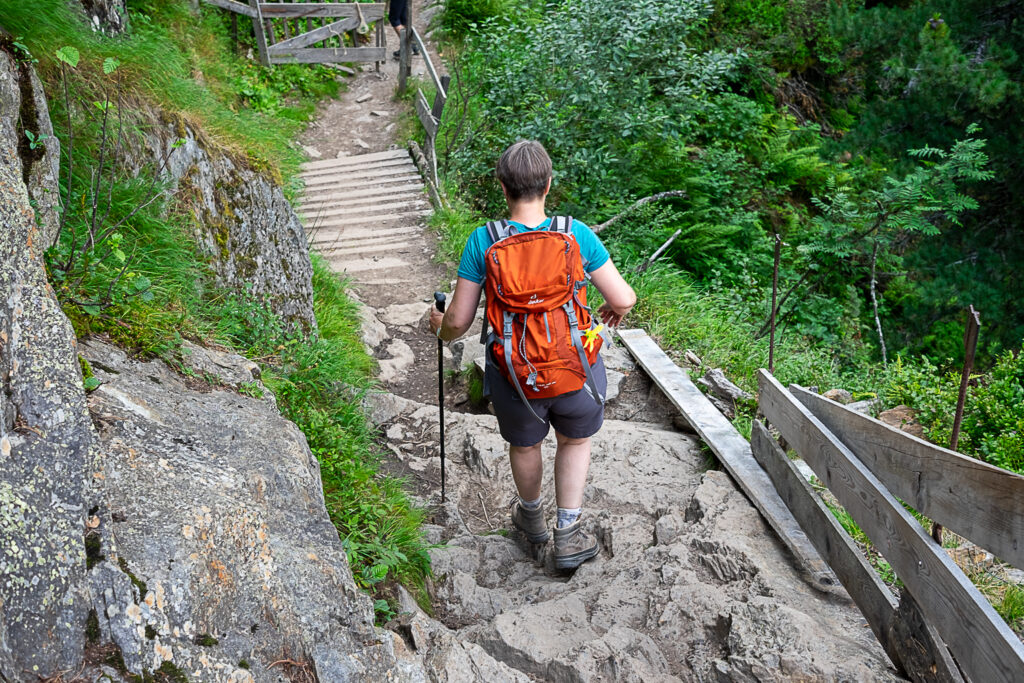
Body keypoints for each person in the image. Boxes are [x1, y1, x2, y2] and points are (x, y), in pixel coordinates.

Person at [428, 140, 636, 569]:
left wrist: (438, 325)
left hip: (515, 377)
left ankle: (531, 521)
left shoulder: (482, 242)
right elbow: (625, 298)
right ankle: (569, 533)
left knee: (525, 444)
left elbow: (459, 323)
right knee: (574, 439)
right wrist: (611, 310)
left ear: (502, 187)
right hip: (573, 368)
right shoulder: (574, 234)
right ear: (548, 183)